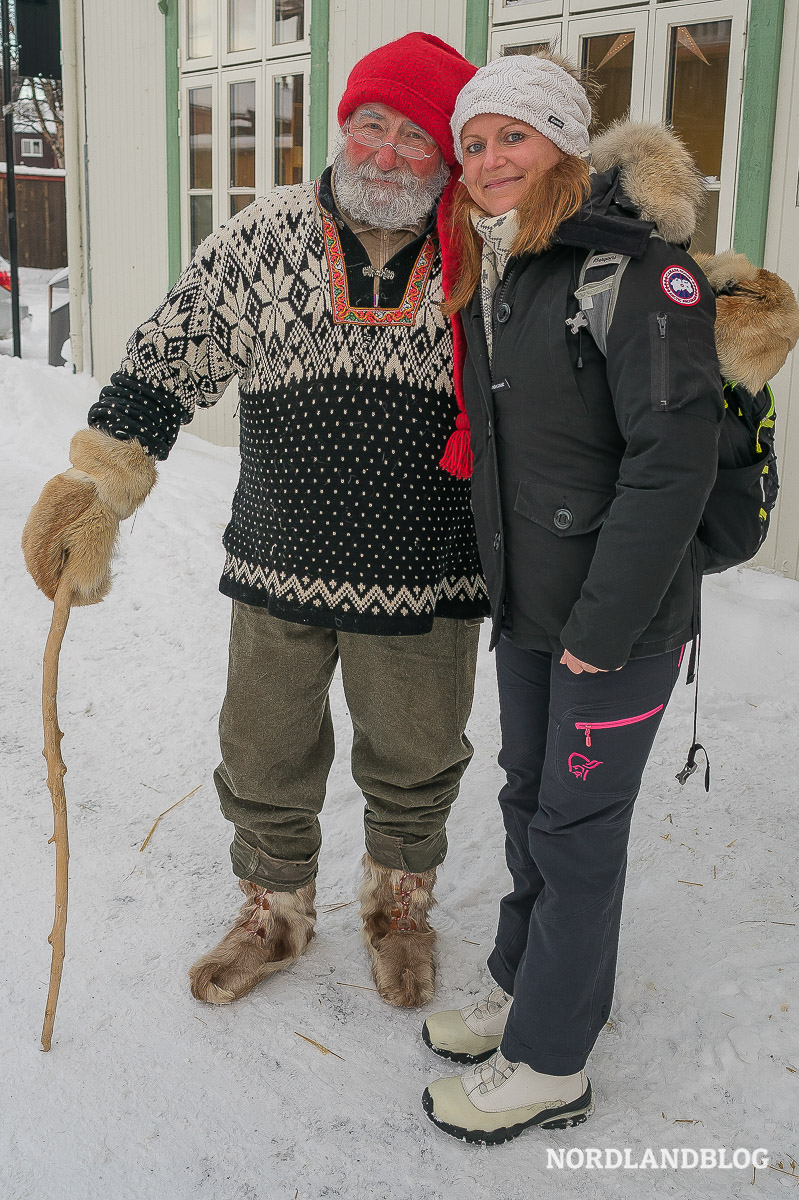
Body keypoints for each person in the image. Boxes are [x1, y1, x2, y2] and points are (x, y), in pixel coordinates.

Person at [21, 33, 490, 1012]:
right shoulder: (261, 236)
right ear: (342, 126)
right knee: (264, 750)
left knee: (415, 756)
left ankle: (398, 911)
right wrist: (101, 486)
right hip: (278, 564)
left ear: (446, 155)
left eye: (415, 137)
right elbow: (169, 358)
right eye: (370, 125)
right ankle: (273, 911)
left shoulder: (485, 250)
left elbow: (597, 313)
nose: (386, 152)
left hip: (432, 572)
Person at [418, 53, 728, 1141]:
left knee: (578, 829)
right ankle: (521, 981)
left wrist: (603, 627)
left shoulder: (636, 271)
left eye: (514, 136)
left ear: (561, 143)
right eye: (473, 142)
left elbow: (671, 461)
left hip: (618, 621)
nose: (489, 160)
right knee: (525, 800)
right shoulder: (507, 265)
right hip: (535, 607)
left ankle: (550, 1061)